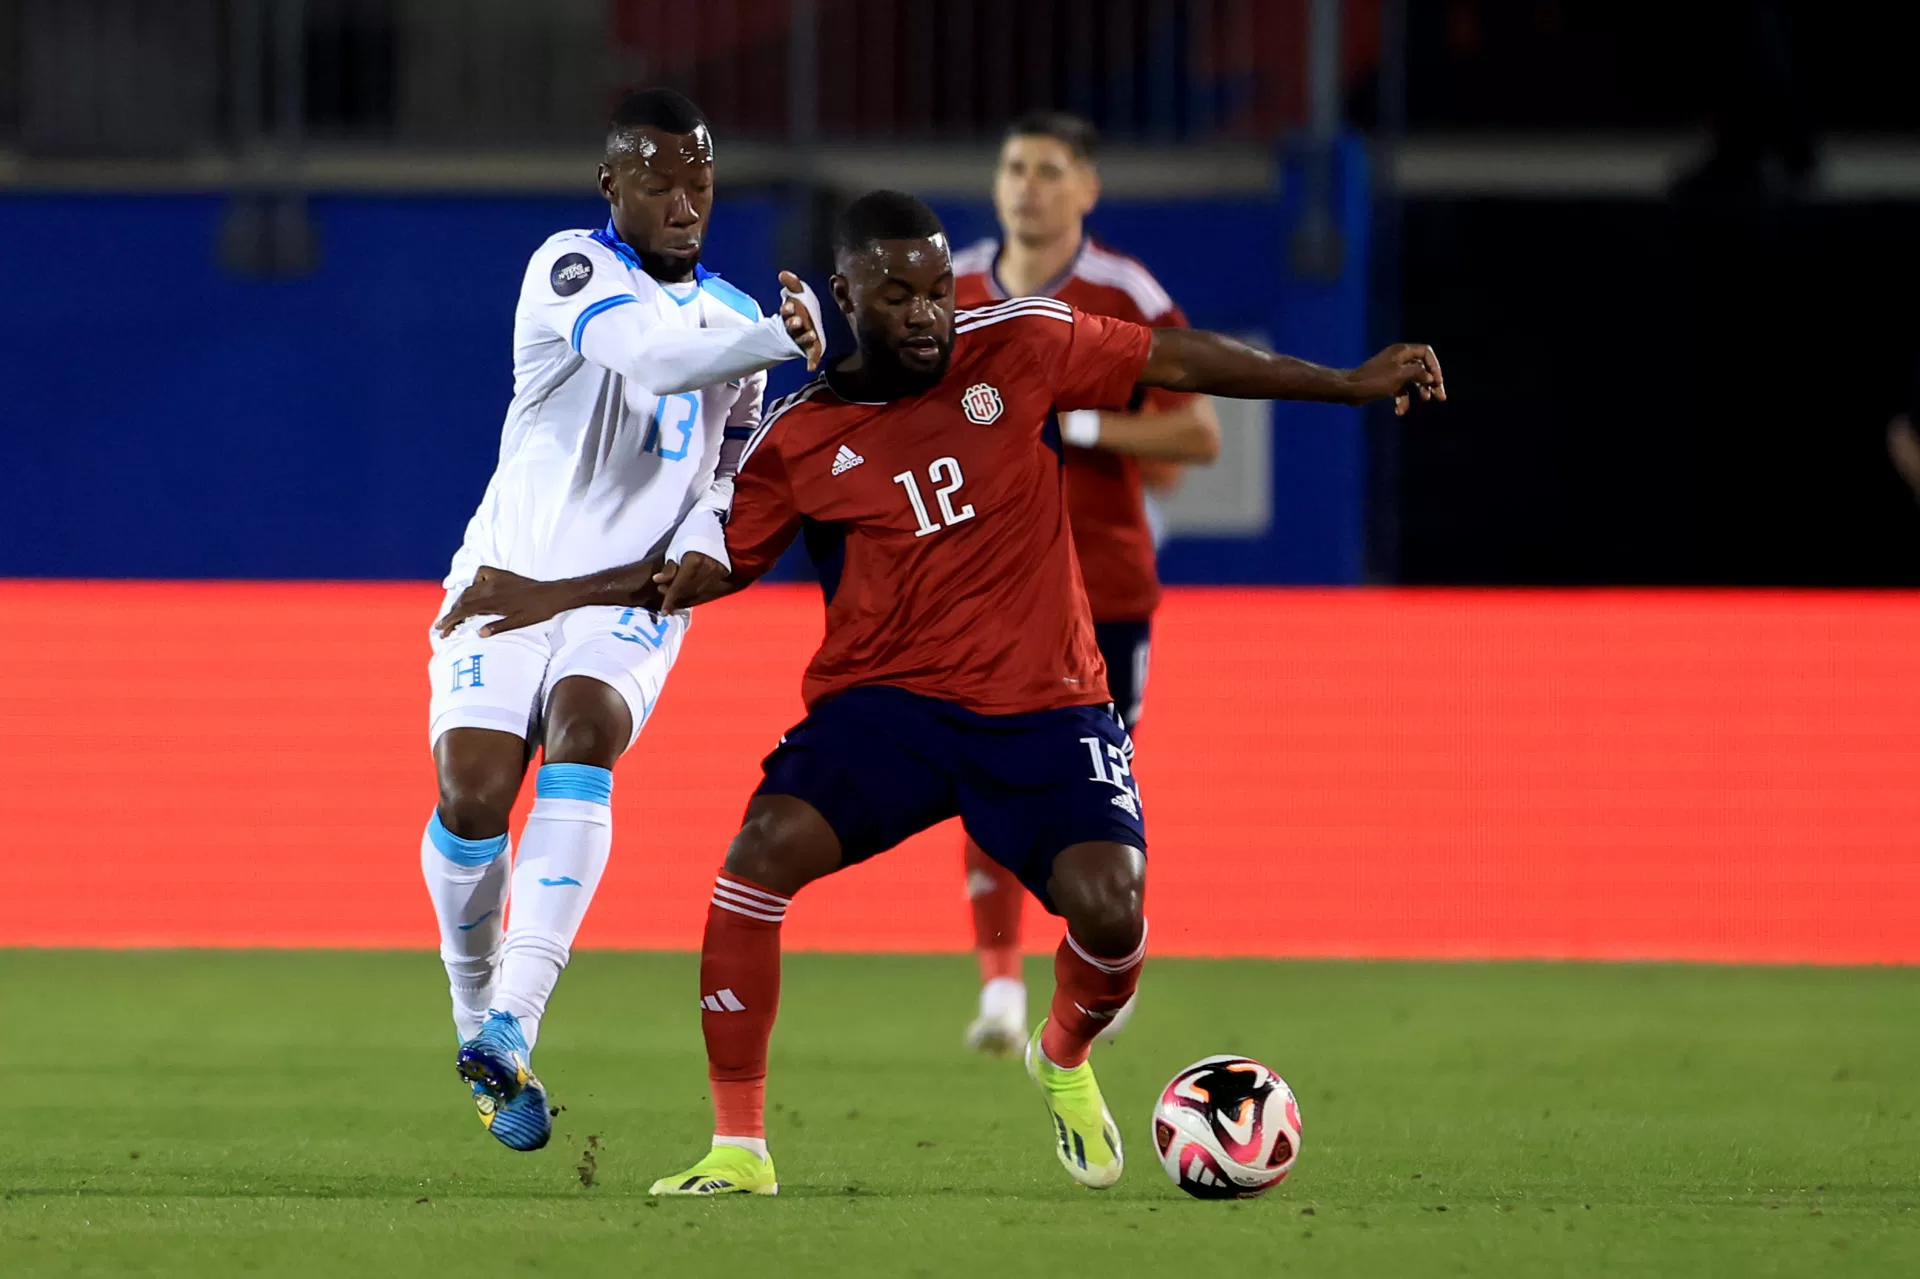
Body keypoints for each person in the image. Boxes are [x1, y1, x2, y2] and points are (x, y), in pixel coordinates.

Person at [437, 190, 1442, 1192]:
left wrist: (1348, 386)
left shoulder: (1023, 342)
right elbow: (693, 575)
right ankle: (740, 1148)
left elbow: (1172, 360)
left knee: (1112, 910)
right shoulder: (799, 437)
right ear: (847, 295)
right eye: (900, 295)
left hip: (1046, 702)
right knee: (755, 862)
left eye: (937, 293)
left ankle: (1061, 1054)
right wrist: (544, 594)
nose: (928, 313)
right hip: (888, 711)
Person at [418, 87, 823, 1153]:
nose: (685, 198)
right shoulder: (572, 267)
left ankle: (513, 1018)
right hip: (507, 577)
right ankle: (473, 1018)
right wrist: (783, 344)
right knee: (471, 796)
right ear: (613, 186)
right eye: (659, 178)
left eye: (701, 178)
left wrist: (715, 520)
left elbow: (738, 458)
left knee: (586, 729)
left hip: (623, 598)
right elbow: (650, 359)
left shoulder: (738, 316)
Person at [949, 112, 1222, 1054]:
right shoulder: (952, 290)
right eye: (1014, 166)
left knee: (1092, 788)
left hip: (1101, 589)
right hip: (984, 588)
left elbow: (1196, 438)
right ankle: (996, 988)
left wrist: (1088, 432)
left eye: (1049, 170)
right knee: (983, 771)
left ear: (1087, 189)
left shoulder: (1124, 293)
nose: (1027, 185)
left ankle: (1099, 949)